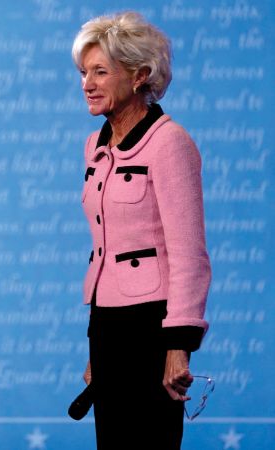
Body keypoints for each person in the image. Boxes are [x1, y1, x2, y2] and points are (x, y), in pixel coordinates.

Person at [72, 11, 212, 450]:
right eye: (83, 72)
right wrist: (98, 348)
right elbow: (107, 246)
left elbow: (189, 253)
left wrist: (179, 345)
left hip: (153, 326)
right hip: (107, 325)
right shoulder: (95, 146)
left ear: (139, 76)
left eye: (100, 72)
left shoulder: (170, 143)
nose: (87, 84)